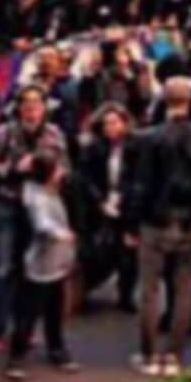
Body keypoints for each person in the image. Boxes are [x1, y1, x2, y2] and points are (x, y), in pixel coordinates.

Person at [126, 77, 191, 377]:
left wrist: (131, 222)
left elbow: (140, 184)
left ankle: (149, 353)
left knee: (150, 289)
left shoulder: (147, 139)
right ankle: (175, 356)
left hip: (155, 219)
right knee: (184, 290)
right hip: (189, 218)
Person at [0, 85, 66, 354]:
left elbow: (66, 167)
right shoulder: (3, 132)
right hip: (10, 204)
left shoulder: (54, 134)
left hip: (40, 207)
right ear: (18, 107)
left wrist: (51, 172)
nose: (31, 109)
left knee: (35, 270)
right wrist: (12, 169)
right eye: (26, 104)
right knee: (4, 269)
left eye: (36, 104)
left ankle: (25, 329)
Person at [7, 150, 77, 382]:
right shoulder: (34, 196)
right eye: (58, 168)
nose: (62, 172)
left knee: (55, 310)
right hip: (38, 263)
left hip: (58, 261)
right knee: (28, 312)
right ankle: (16, 357)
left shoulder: (56, 190)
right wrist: (61, 234)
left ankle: (57, 349)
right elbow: (41, 223)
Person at [76, 103, 136, 315]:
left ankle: (126, 295)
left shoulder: (135, 147)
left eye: (115, 123)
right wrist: (100, 201)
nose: (110, 128)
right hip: (100, 202)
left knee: (128, 252)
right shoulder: (94, 148)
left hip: (126, 203)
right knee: (100, 250)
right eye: (106, 124)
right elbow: (86, 178)